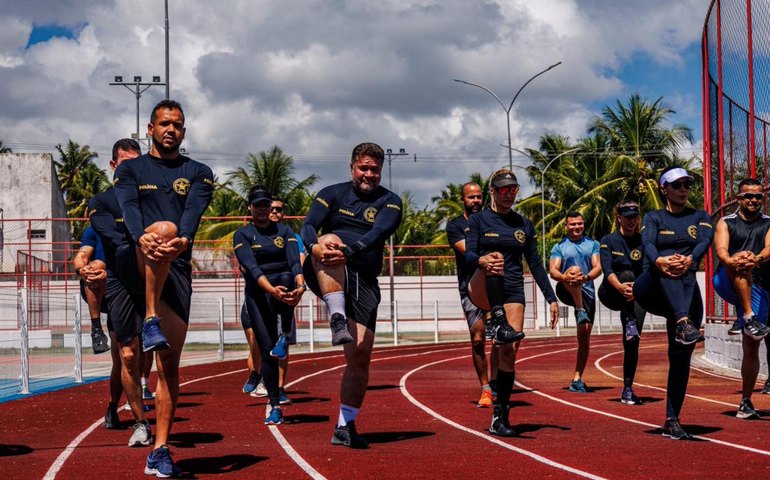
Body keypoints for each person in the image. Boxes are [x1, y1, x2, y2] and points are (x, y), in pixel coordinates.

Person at [113, 100, 214, 476]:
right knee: (161, 229)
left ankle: (160, 449)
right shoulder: (130, 170)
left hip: (177, 263)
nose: (171, 129)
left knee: (168, 364)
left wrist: (182, 241)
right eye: (164, 123)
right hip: (132, 264)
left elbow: (193, 215)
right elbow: (130, 208)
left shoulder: (199, 172)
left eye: (177, 125)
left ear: (183, 132)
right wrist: (143, 237)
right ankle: (150, 316)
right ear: (150, 129)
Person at [301, 142, 403, 448]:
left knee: (360, 356)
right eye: (363, 168)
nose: (369, 174)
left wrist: (351, 251)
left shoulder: (391, 201)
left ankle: (345, 426)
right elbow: (308, 226)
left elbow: (377, 235)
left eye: (374, 169)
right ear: (352, 167)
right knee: (328, 238)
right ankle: (336, 316)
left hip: (365, 278)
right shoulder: (331, 193)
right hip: (328, 268)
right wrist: (315, 247)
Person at [465, 169, 559, 436]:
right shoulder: (479, 220)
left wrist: (551, 298)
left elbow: (536, 265)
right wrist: (481, 260)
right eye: (503, 190)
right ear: (492, 191)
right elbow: (469, 254)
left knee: (509, 350)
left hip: (512, 290)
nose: (508, 195)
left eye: (513, 190)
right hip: (482, 283)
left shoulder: (523, 225)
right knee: (494, 257)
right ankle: (495, 318)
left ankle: (501, 415)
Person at [633, 167, 713, 440]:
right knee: (669, 261)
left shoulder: (700, 216)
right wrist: (660, 261)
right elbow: (648, 244)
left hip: (686, 290)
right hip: (651, 286)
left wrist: (690, 260)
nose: (683, 189)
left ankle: (672, 419)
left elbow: (704, 241)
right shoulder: (653, 217)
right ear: (663, 188)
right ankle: (682, 322)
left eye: (687, 184)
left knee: (680, 359)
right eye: (677, 185)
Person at [88, 138, 149, 440]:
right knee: (126, 356)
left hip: (154, 280)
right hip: (120, 283)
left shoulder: (151, 200)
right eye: (126, 163)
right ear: (113, 166)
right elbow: (111, 237)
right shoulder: (101, 203)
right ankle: (134, 419)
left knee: (152, 356)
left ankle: (156, 416)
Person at [233, 186, 304, 424]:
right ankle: (275, 406)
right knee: (267, 353)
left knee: (286, 277)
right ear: (250, 208)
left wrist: (301, 286)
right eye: (258, 205)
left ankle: (284, 334)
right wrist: (270, 290)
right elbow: (251, 268)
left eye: (266, 205)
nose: (263, 209)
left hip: (284, 289)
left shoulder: (285, 231)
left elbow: (295, 262)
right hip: (259, 292)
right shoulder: (242, 235)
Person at [711, 178, 770, 419]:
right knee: (751, 344)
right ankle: (745, 400)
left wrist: (756, 258)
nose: (753, 200)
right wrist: (734, 260)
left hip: (763, 283)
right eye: (748, 196)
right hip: (727, 279)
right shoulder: (726, 222)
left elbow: (769, 249)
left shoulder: (768, 223)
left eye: (758, 197)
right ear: (738, 199)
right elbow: (721, 250)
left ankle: (749, 317)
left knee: (757, 343)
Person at [445, 182, 498, 408]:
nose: (475, 201)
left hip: (496, 284)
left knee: (501, 339)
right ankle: (485, 388)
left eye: (478, 197)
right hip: (469, 287)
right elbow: (470, 252)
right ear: (463, 200)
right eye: (471, 198)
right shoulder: (455, 225)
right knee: (478, 338)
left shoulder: (492, 219)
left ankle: (496, 382)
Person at [598, 200, 647, 405]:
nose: (631, 221)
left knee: (632, 342)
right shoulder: (608, 240)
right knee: (626, 273)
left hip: (636, 293)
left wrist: (636, 290)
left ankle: (628, 388)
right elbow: (607, 270)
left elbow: (646, 270)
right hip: (611, 291)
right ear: (618, 217)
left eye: (634, 217)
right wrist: (620, 287)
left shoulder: (644, 241)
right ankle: (628, 319)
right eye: (627, 217)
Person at [549, 212, 602, 393]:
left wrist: (585, 278)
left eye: (579, 224)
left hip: (586, 292)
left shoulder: (593, 244)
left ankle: (577, 378)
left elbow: (598, 267)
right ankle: (579, 309)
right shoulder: (559, 247)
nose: (576, 227)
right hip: (565, 289)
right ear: (566, 226)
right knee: (574, 269)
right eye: (572, 225)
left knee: (584, 337)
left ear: (583, 224)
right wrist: (566, 276)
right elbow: (553, 271)